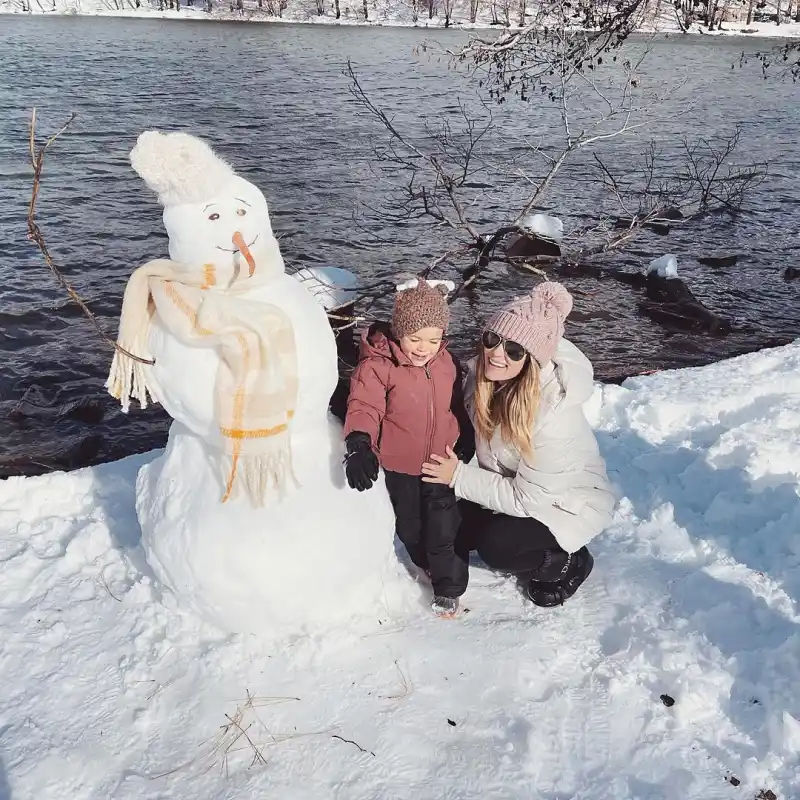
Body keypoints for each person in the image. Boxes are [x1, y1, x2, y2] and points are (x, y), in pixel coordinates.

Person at [421, 281, 615, 608]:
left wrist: (458, 477)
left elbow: (529, 500)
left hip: (561, 505)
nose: (497, 354)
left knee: (498, 547)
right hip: (515, 486)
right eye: (492, 339)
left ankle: (568, 562)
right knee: (450, 523)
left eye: (514, 350)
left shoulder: (554, 415)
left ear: (532, 360)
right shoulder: (482, 378)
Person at [343, 279, 474, 617]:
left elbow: (455, 404)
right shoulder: (378, 367)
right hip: (400, 464)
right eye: (415, 339)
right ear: (399, 333)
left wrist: (467, 432)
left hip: (440, 461)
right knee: (411, 527)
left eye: (433, 339)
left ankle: (449, 586)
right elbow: (365, 407)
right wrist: (360, 443)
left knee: (443, 526)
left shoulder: (446, 363)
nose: (423, 348)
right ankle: (424, 561)